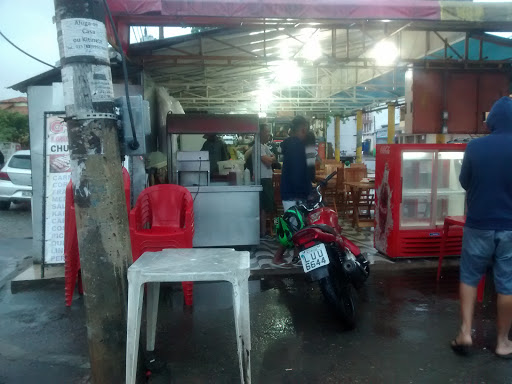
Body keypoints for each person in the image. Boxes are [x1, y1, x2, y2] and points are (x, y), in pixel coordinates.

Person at [451, 96, 512, 358]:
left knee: (469, 277)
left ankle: (465, 332)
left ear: (491, 122)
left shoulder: (475, 147)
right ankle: (502, 342)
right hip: (510, 227)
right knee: (507, 284)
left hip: (478, 224)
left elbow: (465, 181)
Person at [272, 115, 310, 267]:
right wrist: (307, 191)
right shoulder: (297, 146)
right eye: (306, 130)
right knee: (294, 227)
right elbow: (298, 172)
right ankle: (277, 257)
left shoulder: (291, 145)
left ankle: (296, 256)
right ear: (302, 129)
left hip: (291, 192)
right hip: (295, 193)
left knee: (297, 226)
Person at [251, 124, 276, 238]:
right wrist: (271, 159)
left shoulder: (264, 146)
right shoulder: (258, 146)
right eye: (266, 131)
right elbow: (268, 161)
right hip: (263, 179)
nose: (268, 134)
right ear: (260, 132)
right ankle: (262, 231)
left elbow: (273, 157)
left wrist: (271, 158)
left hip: (267, 178)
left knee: (267, 206)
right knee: (264, 206)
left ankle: (265, 230)